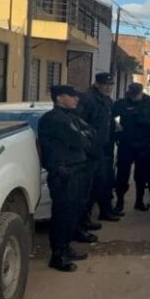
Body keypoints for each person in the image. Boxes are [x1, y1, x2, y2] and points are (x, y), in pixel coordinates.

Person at [38, 85, 94, 272]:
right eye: (72, 96)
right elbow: (81, 140)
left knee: (73, 213)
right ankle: (58, 255)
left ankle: (66, 247)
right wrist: (83, 136)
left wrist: (83, 135)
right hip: (64, 173)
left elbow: (90, 135)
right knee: (63, 215)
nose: (76, 99)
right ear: (60, 98)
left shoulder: (70, 117)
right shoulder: (55, 119)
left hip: (76, 170)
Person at [77, 72, 119, 229]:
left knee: (104, 182)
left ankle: (105, 211)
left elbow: (107, 120)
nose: (108, 87)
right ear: (97, 84)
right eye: (105, 84)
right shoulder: (88, 99)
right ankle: (83, 222)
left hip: (104, 147)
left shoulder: (106, 100)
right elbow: (81, 125)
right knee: (89, 188)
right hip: (90, 151)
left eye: (110, 85)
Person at [112, 83, 150, 212]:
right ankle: (119, 202)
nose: (133, 97)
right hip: (126, 144)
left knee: (141, 175)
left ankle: (139, 201)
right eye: (131, 94)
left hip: (143, 145)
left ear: (141, 92)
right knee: (122, 174)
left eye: (135, 95)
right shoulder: (122, 103)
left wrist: (143, 120)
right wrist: (116, 124)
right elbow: (110, 114)